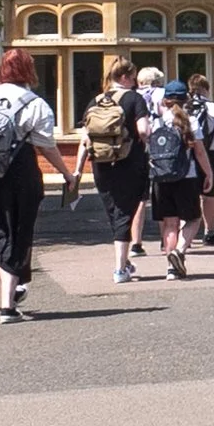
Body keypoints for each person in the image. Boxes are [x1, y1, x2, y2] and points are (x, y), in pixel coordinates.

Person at [0, 47, 71, 323]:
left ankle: (7, 297)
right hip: (19, 170)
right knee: (18, 232)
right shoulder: (34, 103)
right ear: (29, 71)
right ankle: (7, 306)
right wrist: (67, 174)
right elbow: (46, 146)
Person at [69, 56, 154, 284]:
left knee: (114, 212)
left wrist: (77, 170)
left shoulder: (95, 101)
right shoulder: (134, 99)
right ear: (125, 77)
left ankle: (124, 261)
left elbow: (85, 138)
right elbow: (144, 131)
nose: (135, 82)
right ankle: (119, 269)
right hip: (130, 162)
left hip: (101, 164)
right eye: (133, 77)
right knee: (125, 212)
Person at [144, 83, 214, 277]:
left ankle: (170, 269)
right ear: (186, 99)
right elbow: (199, 151)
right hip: (187, 176)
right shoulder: (190, 121)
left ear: (165, 100)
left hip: (160, 176)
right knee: (193, 218)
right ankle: (180, 250)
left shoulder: (156, 122)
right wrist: (209, 173)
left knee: (169, 224)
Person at [189, 73, 214, 246]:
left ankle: (187, 234)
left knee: (189, 194)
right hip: (211, 153)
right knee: (209, 195)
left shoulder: (184, 107)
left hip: (189, 153)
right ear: (206, 89)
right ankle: (210, 232)